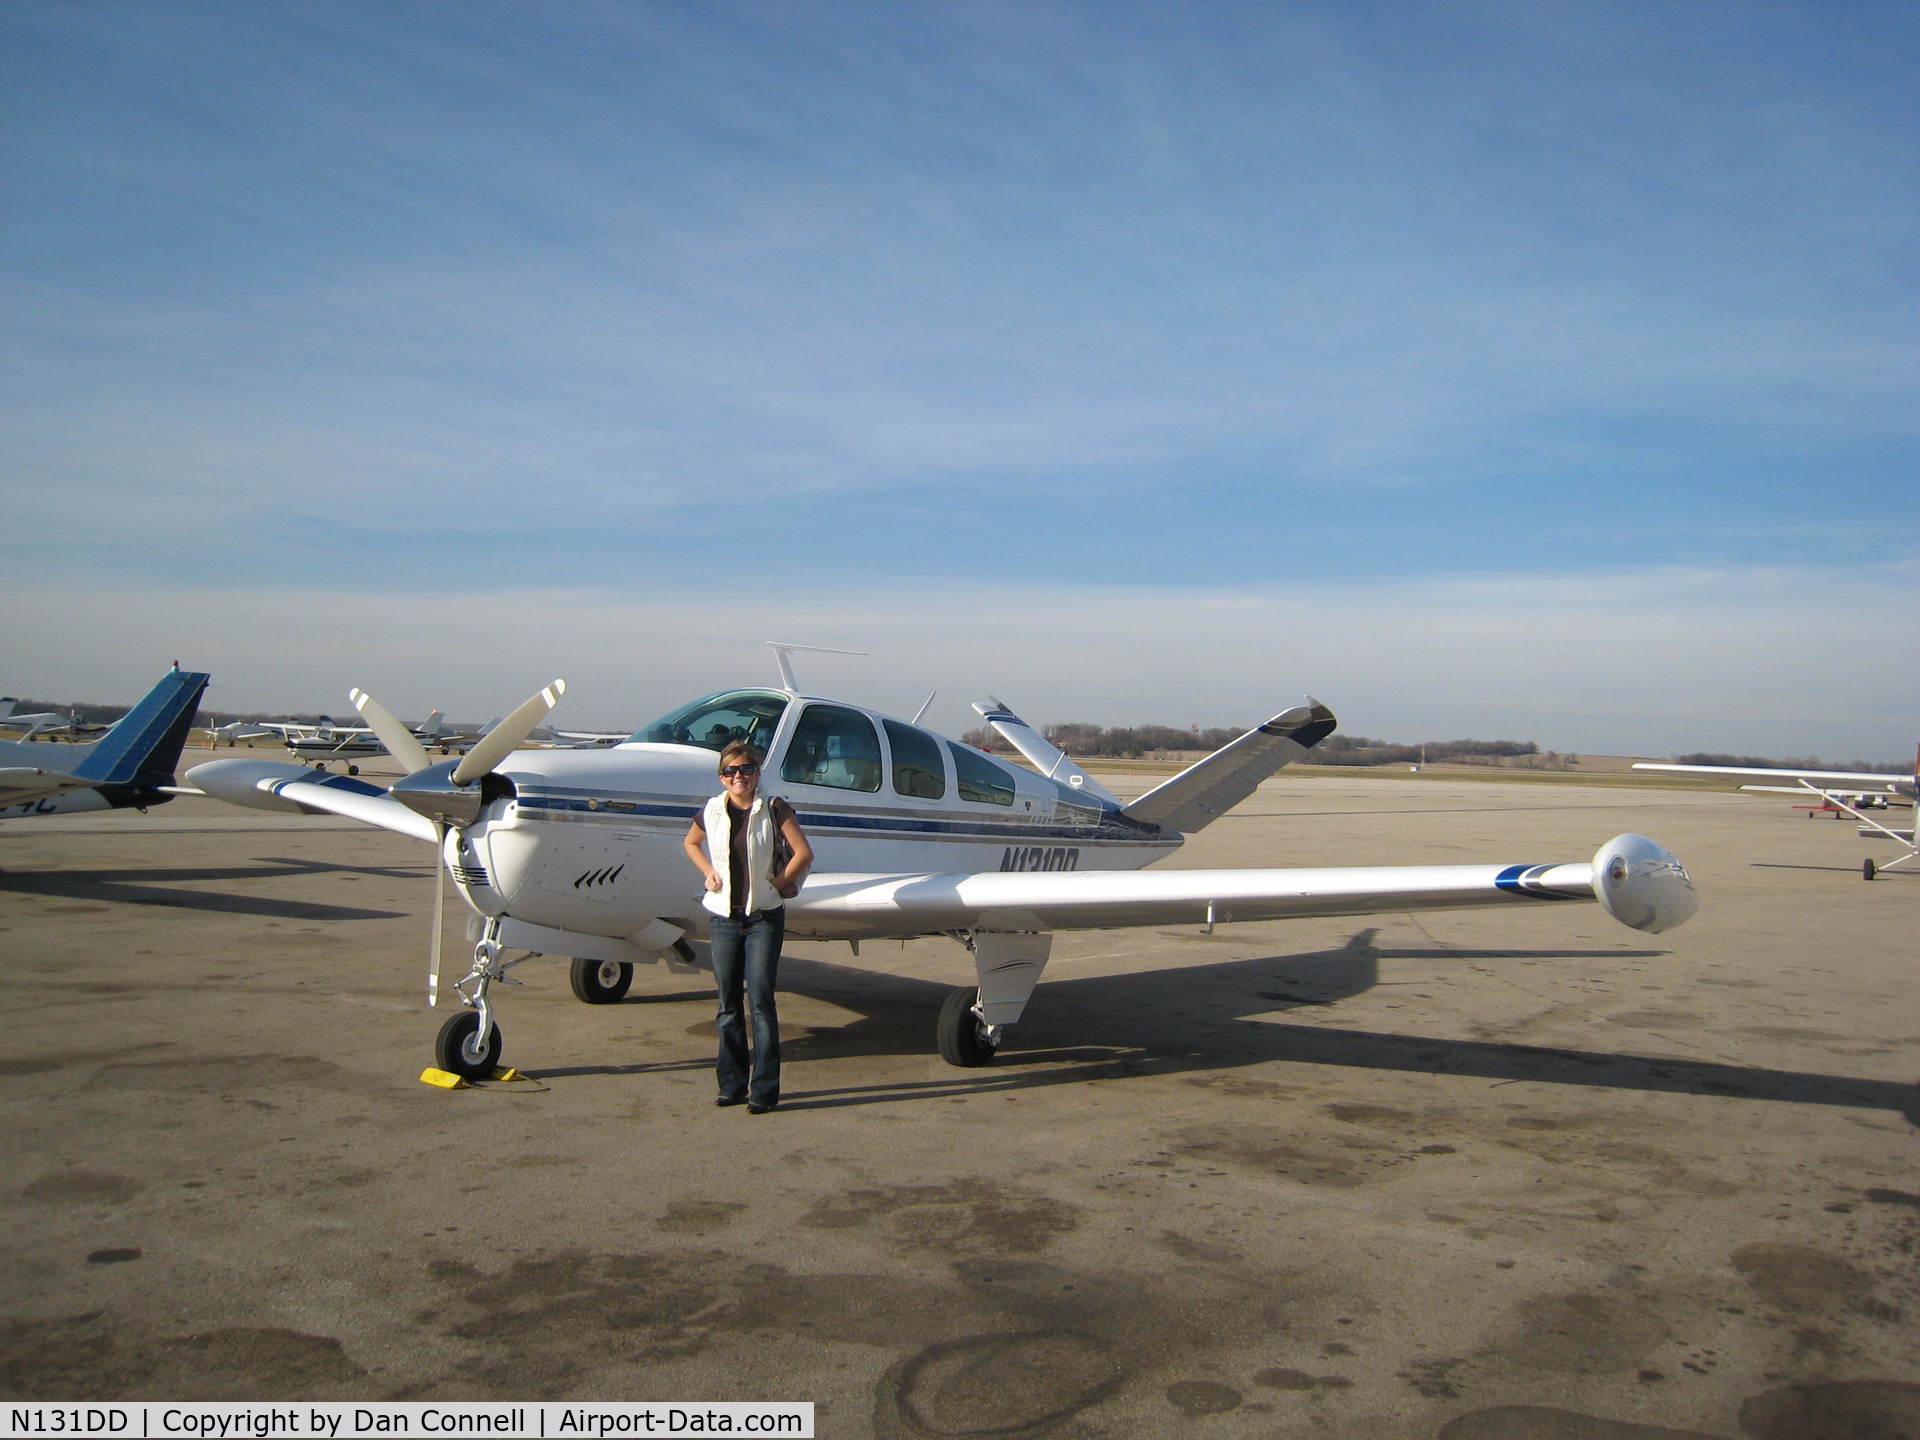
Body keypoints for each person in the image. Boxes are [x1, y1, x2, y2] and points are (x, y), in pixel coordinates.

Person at [683, 742, 813, 1113]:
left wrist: (776, 884)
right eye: (730, 772)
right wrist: (708, 872)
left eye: (745, 770)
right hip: (723, 918)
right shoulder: (711, 810)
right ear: (721, 777)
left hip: (763, 919)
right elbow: (691, 842)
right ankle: (732, 1085)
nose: (737, 777)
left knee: (761, 1002)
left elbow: (803, 852)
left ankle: (764, 1090)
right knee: (727, 1005)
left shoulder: (773, 808)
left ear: (756, 774)